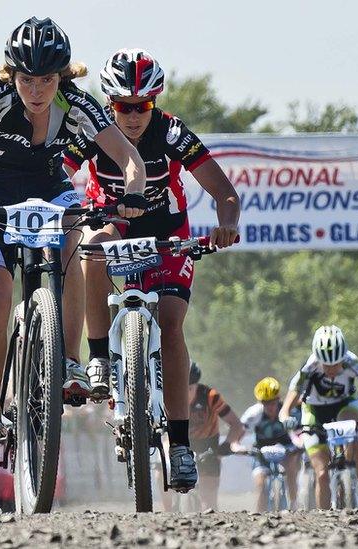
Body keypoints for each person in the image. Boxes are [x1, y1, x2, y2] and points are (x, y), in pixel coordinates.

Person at [0, 16, 148, 471]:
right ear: (12, 74)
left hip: (49, 192)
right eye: (27, 79)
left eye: (47, 80)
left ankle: (71, 360)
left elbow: (130, 159)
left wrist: (134, 194)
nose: (37, 90)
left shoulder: (77, 103)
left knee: (74, 244)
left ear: (60, 77)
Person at [63, 48, 240, 491]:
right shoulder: (91, 129)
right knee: (93, 247)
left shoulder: (172, 132)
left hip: (167, 231)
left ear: (154, 103)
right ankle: (100, 357)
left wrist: (226, 226)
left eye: (143, 106)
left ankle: (179, 446)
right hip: (114, 223)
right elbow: (58, 174)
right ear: (110, 104)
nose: (134, 116)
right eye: (124, 106)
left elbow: (224, 191)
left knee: (172, 322)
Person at [278, 325, 358, 509]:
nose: (331, 369)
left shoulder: (352, 361)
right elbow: (289, 401)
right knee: (322, 474)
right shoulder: (310, 366)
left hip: (344, 404)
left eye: (336, 364)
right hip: (314, 410)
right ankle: (324, 521)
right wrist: (285, 416)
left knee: (352, 431)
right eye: (326, 364)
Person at [167, 363, 243, 510]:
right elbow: (162, 430)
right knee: (161, 471)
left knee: (208, 498)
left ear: (196, 385)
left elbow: (236, 425)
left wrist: (226, 445)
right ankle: (166, 512)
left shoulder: (210, 396)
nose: (185, 394)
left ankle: (211, 522)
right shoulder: (169, 397)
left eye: (189, 389)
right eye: (181, 389)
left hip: (208, 444)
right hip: (181, 441)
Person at [241, 377, 301, 512]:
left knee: (291, 467)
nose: (270, 407)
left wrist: (300, 443)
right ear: (260, 402)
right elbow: (238, 433)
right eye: (265, 403)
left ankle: (294, 505)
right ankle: (259, 516)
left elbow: (300, 431)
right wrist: (236, 446)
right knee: (261, 485)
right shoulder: (253, 413)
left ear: (278, 399)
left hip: (285, 448)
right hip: (261, 451)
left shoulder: (288, 410)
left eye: (273, 402)